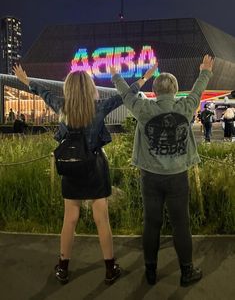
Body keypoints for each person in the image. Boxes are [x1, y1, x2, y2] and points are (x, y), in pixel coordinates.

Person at [13, 64, 122, 285]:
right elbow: (125, 96)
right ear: (90, 88)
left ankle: (63, 268)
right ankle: (110, 268)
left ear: (69, 88)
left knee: (70, 218)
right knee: (101, 218)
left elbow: (43, 92)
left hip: (71, 166)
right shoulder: (99, 107)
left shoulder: (62, 106)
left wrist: (25, 81)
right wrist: (127, 77)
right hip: (95, 167)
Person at [110, 55, 214, 287]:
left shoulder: (143, 108)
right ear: (175, 90)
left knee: (151, 222)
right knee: (181, 224)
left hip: (150, 177)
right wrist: (204, 71)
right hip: (178, 176)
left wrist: (116, 75)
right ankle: (187, 271)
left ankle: (150, 272)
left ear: (154, 91)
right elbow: (197, 92)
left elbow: (126, 94)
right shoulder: (185, 107)